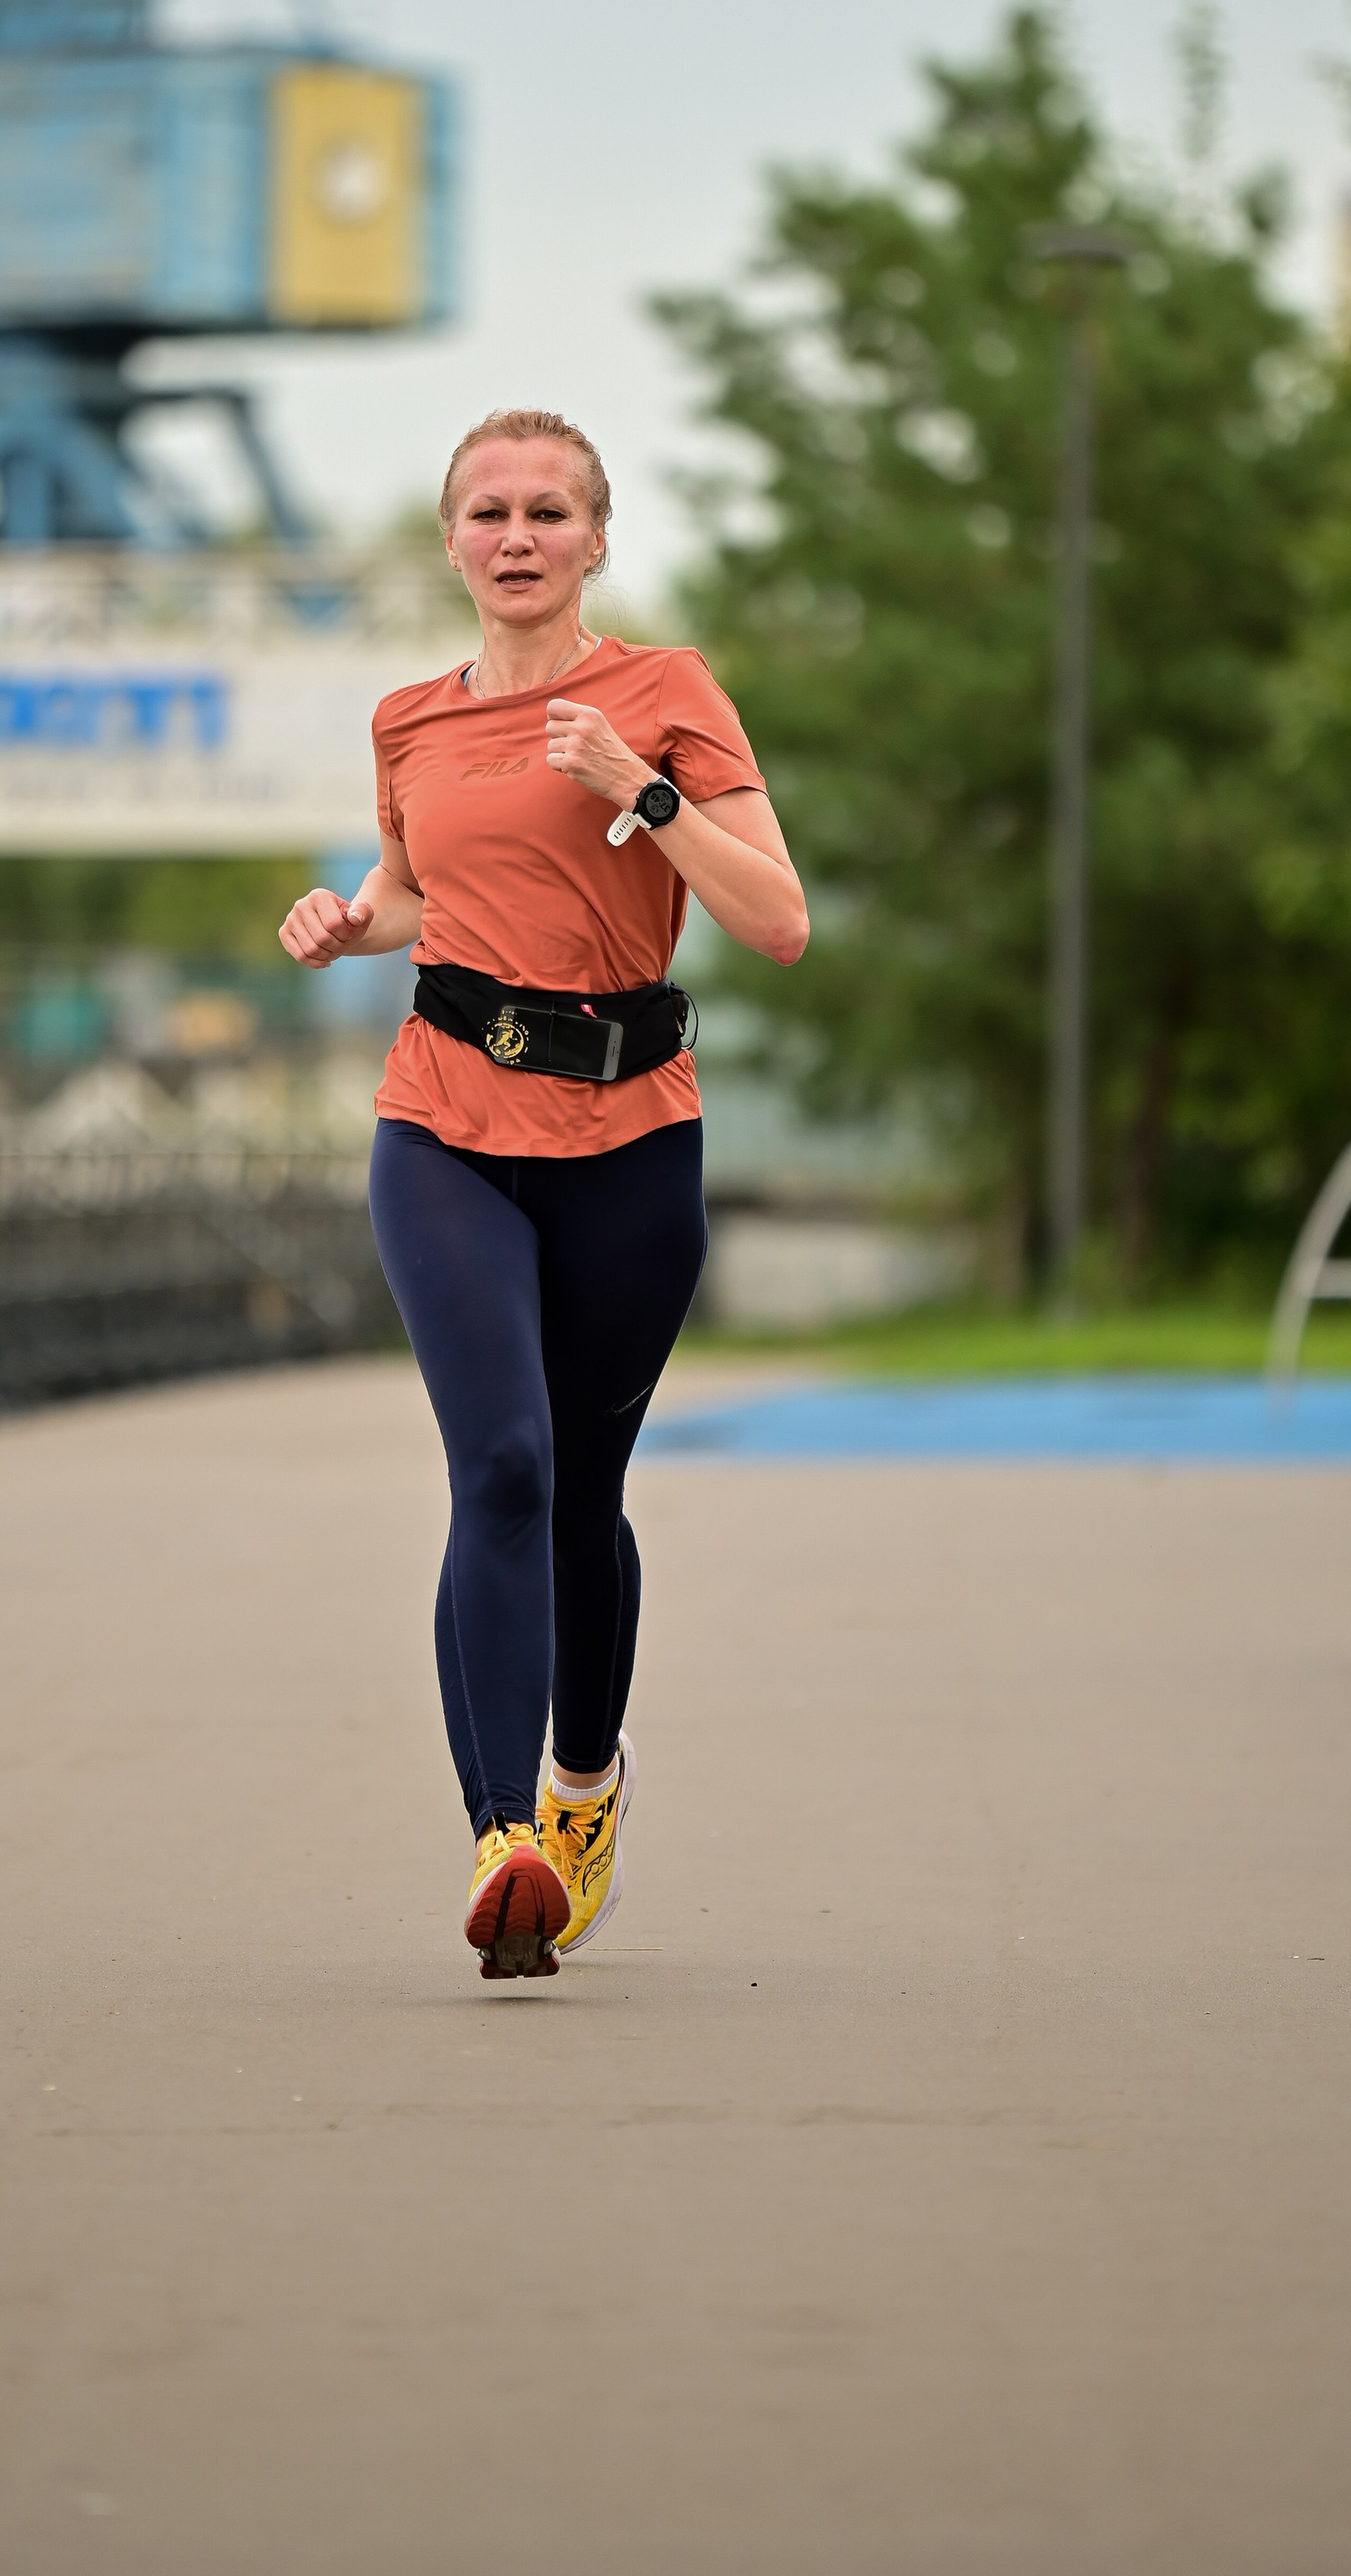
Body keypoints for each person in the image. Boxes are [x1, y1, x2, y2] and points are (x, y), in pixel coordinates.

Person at [278, 408, 807, 1977]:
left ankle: (586, 1789)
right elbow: (418, 892)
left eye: (549, 512)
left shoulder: (667, 696)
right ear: (452, 543)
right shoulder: (407, 722)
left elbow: (776, 919)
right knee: (500, 1464)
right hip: (443, 1119)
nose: (519, 537)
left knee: (585, 1488)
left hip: (634, 1136)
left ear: (596, 538)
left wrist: (644, 794)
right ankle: (502, 1832)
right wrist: (341, 923)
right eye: (490, 513)